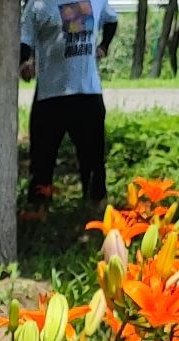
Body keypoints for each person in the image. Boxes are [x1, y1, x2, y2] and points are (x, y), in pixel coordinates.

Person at [23, 0, 120, 235]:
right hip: (50, 95)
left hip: (87, 93)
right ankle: (37, 219)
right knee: (42, 160)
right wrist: (24, 63)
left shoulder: (97, 1)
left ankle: (96, 218)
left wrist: (104, 46)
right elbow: (24, 39)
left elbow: (111, 20)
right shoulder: (38, 5)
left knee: (93, 160)